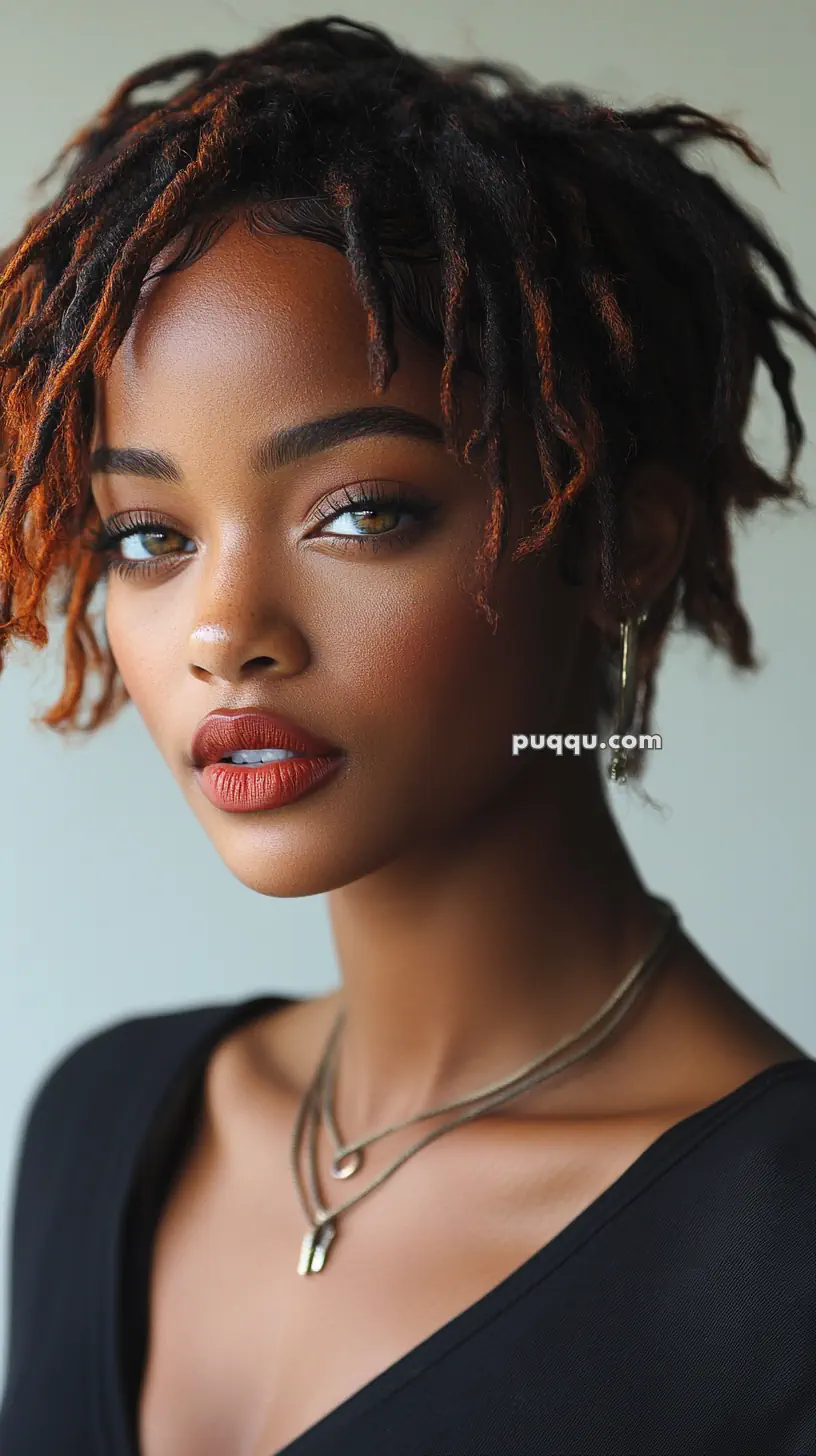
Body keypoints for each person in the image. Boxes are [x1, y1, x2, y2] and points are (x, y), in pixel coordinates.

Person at [0, 15, 814, 1456]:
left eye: (362, 511)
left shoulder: (781, 1262)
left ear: (621, 542)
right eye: (149, 535)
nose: (222, 628)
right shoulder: (98, 1126)